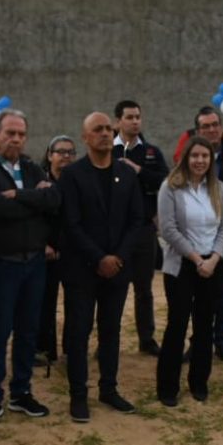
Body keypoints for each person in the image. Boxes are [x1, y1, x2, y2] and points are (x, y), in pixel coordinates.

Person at [0, 109, 59, 427]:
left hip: (33, 262)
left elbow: (53, 200)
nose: (16, 139)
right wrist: (34, 201)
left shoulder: (32, 167)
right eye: (10, 133)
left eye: (21, 134)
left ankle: (21, 392)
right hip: (0, 262)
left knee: (28, 331)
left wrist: (18, 195)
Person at [58, 112, 146, 420]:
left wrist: (117, 257)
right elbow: (70, 223)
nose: (106, 133)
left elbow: (137, 219)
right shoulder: (72, 175)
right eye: (98, 129)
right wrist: (98, 258)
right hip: (82, 270)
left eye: (109, 128)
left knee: (111, 331)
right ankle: (78, 395)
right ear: (85, 137)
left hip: (117, 270)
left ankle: (109, 389)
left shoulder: (126, 174)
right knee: (79, 332)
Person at [156, 135, 223, 406]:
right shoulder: (171, 187)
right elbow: (168, 228)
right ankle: (167, 387)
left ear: (211, 159)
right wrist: (196, 259)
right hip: (182, 266)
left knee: (204, 326)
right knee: (177, 325)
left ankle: (199, 382)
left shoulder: (219, 188)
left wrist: (214, 258)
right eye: (195, 155)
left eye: (205, 156)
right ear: (186, 158)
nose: (200, 161)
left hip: (213, 266)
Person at [110, 100, 169, 357]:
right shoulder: (108, 150)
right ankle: (108, 340)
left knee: (144, 289)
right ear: (118, 122)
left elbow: (166, 181)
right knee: (114, 289)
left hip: (144, 230)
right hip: (115, 232)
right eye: (129, 117)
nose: (135, 121)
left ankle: (146, 339)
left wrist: (139, 170)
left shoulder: (151, 152)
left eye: (138, 117)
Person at [189, 107, 223, 363]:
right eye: (205, 126)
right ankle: (197, 342)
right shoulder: (191, 160)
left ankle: (221, 341)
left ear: (221, 127)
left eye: (215, 124)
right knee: (198, 295)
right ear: (197, 131)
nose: (211, 129)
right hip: (198, 241)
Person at [38, 135, 77, 364]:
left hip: (73, 253)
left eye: (70, 152)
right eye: (61, 152)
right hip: (46, 253)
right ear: (49, 155)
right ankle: (45, 350)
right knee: (45, 303)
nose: (66, 156)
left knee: (75, 305)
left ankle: (71, 350)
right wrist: (43, 244)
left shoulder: (78, 182)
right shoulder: (40, 182)